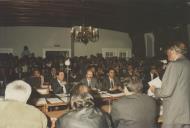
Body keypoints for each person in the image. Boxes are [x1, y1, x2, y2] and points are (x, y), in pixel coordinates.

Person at [149, 41, 190, 128]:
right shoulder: (187, 63)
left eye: (168, 53)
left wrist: (154, 90)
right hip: (186, 112)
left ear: (173, 51)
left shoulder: (174, 65)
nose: (167, 56)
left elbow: (167, 91)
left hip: (174, 113)